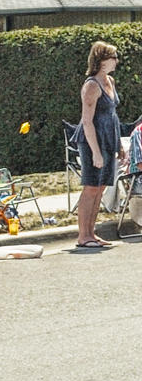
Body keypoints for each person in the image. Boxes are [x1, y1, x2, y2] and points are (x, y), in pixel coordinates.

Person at [73, 41, 123, 248]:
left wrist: (118, 144)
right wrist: (96, 153)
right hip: (93, 141)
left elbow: (113, 115)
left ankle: (92, 233)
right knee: (91, 187)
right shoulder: (92, 85)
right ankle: (83, 236)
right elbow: (87, 121)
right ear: (101, 60)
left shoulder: (109, 80)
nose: (116, 61)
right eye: (113, 57)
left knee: (101, 188)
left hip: (109, 139)